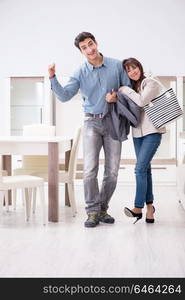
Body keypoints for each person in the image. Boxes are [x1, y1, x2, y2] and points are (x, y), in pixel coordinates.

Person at [48, 32, 130, 228]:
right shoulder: (79, 72)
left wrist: (116, 97)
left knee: (112, 171)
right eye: (84, 47)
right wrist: (52, 77)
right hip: (91, 123)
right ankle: (92, 212)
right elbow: (65, 96)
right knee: (89, 171)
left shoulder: (117, 65)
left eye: (90, 44)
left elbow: (128, 89)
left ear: (96, 43)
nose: (89, 49)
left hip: (113, 121)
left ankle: (103, 208)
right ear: (81, 51)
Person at [119, 57, 166, 224]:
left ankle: (137, 208)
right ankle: (150, 208)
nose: (132, 72)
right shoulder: (133, 87)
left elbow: (141, 102)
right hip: (137, 134)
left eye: (134, 67)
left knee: (139, 169)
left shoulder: (150, 83)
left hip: (153, 132)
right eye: (128, 70)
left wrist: (125, 89)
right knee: (145, 170)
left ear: (139, 67)